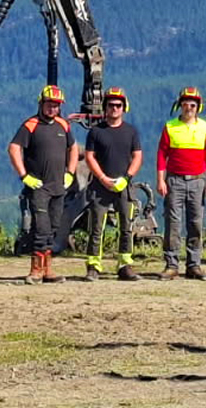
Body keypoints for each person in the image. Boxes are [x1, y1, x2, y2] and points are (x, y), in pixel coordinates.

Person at [8, 85, 78, 285]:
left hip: (59, 187)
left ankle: (48, 269)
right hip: (38, 187)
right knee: (41, 227)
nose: (52, 108)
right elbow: (13, 148)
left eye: (56, 105)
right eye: (49, 104)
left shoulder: (63, 125)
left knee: (54, 227)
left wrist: (70, 173)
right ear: (41, 103)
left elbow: (73, 148)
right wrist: (24, 176)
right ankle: (36, 270)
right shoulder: (30, 125)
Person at [155, 86, 206, 280]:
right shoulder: (170, 126)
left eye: (192, 105)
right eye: (185, 104)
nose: (188, 108)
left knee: (196, 223)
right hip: (174, 180)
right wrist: (160, 179)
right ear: (180, 105)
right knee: (173, 223)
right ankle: (171, 265)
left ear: (198, 107)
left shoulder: (205, 128)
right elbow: (162, 154)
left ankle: (194, 265)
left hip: (198, 180)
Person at [82, 86, 143, 282]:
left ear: (124, 107)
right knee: (96, 227)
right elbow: (89, 157)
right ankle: (93, 266)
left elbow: (137, 156)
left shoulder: (131, 131)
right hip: (100, 186)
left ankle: (125, 265)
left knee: (126, 226)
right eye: (110, 105)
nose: (114, 108)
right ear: (105, 107)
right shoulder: (96, 131)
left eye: (118, 105)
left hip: (124, 185)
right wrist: (102, 178)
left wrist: (126, 178)